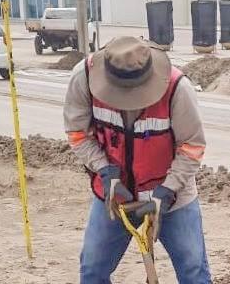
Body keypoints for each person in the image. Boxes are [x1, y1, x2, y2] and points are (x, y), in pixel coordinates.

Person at [64, 36, 211, 283]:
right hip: (113, 197)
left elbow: (192, 147)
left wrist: (167, 190)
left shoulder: (177, 88)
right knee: (92, 271)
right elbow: (77, 134)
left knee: (194, 272)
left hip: (173, 199)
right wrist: (104, 170)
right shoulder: (84, 78)